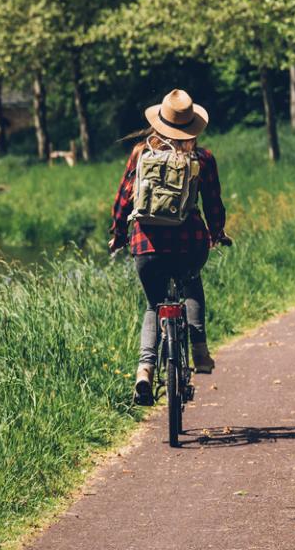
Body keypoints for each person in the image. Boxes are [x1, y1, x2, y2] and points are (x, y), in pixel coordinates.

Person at [108, 89, 232, 406]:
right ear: (192, 126)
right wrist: (217, 232)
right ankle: (200, 352)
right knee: (191, 285)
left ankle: (145, 371)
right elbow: (213, 203)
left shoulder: (140, 153)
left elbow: (124, 199)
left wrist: (118, 234)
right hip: (190, 244)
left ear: (160, 122)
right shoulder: (201, 159)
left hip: (146, 246)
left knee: (154, 306)